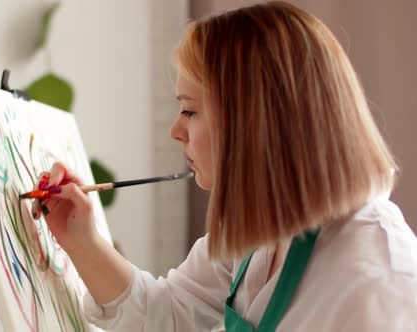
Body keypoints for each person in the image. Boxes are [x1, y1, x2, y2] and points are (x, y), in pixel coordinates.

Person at [30, 1, 417, 331]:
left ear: (255, 119)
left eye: (189, 109)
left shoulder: (380, 285)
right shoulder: (258, 224)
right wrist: (81, 240)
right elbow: (167, 315)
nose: (175, 130)